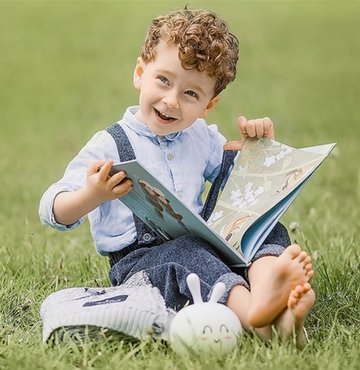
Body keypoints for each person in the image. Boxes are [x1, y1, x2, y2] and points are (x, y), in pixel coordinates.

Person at [39, 8, 315, 348]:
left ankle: (270, 286)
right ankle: (257, 317)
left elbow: (238, 179)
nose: (171, 101)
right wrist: (90, 196)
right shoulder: (110, 144)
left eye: (191, 94)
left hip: (206, 247)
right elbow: (52, 209)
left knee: (261, 222)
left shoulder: (200, 136)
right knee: (187, 253)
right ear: (140, 73)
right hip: (143, 265)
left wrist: (258, 146)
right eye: (164, 81)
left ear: (208, 105)